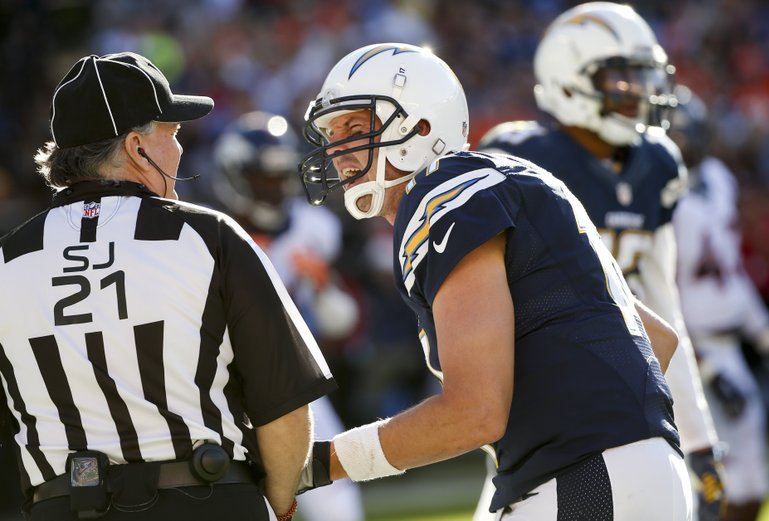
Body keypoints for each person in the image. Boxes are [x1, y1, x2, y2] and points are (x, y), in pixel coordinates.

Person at [294, 42, 691, 520]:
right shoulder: (509, 178)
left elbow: (474, 411)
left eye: (355, 129)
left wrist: (318, 463)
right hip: (629, 468)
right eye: (332, 135)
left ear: (420, 127)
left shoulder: (445, 193)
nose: (338, 152)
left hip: (585, 474)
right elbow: (657, 340)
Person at [0, 52, 337, 521]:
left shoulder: (6, 260)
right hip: (205, 499)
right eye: (172, 135)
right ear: (137, 147)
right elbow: (284, 409)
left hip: (61, 505)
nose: (180, 149)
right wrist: (280, 503)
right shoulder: (209, 237)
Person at [477, 3, 725, 520]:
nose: (637, 92)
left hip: (626, 391)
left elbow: (663, 309)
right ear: (569, 81)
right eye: (622, 78)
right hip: (545, 401)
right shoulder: (520, 160)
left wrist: (699, 436)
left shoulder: (657, 163)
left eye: (643, 77)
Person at [211, 110, 365, 521]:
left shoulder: (313, 229)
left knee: (334, 491)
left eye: (280, 178)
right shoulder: (212, 235)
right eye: (263, 178)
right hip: (221, 388)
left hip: (291, 382)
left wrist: (323, 285)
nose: (274, 188)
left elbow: (339, 323)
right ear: (236, 176)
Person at [670, 85, 769, 521]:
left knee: (753, 483)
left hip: (728, 347)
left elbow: (731, 274)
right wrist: (701, 365)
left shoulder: (718, 180)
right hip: (688, 352)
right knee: (703, 482)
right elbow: (657, 292)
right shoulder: (659, 190)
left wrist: (768, 340)